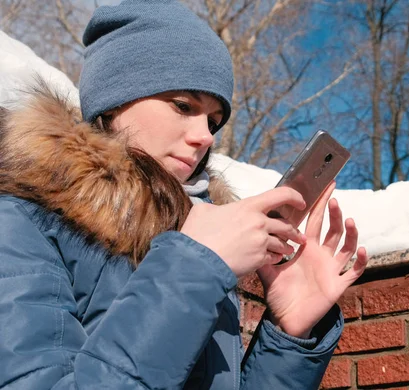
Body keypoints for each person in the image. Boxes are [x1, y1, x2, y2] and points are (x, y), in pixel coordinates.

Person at [0, 0, 368, 389]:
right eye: (183, 105)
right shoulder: (20, 221)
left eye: (213, 120)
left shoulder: (197, 237)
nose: (205, 136)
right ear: (114, 100)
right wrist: (194, 267)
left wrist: (288, 336)